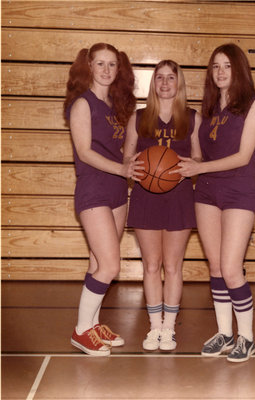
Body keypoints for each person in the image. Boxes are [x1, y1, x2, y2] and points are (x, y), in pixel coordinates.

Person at [173, 43, 255, 362]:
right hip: (208, 192)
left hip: (238, 191)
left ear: (239, 69)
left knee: (230, 268)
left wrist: (199, 168)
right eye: (215, 66)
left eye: (226, 66)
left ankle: (247, 337)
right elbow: (202, 154)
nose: (220, 72)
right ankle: (225, 333)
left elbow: (242, 157)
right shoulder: (209, 109)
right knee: (215, 267)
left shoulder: (253, 105)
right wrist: (187, 163)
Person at [63, 42, 143, 356]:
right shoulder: (83, 104)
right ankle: (81, 330)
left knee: (97, 262)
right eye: (100, 64)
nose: (107, 70)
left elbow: (120, 151)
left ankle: (93, 325)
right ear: (89, 67)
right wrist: (125, 169)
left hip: (116, 192)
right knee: (110, 265)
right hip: (93, 188)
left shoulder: (114, 106)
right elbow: (85, 152)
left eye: (112, 64)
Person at [124, 60, 202, 351]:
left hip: (179, 196)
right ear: (153, 83)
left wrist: (190, 167)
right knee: (152, 265)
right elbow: (126, 158)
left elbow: (199, 158)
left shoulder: (193, 118)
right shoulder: (139, 117)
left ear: (179, 83)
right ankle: (154, 327)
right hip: (146, 195)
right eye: (160, 78)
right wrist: (136, 167)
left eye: (171, 77)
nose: (166, 83)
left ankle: (169, 328)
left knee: (173, 265)